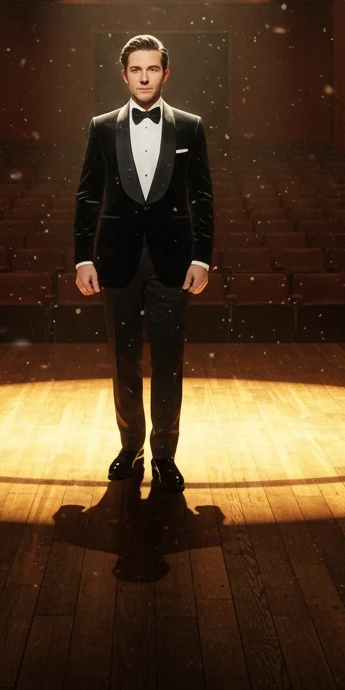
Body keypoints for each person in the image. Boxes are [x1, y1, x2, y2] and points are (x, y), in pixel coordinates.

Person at [74, 34, 214, 492]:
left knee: (169, 361)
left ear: (165, 73)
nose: (144, 77)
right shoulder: (101, 127)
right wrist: (82, 258)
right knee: (124, 359)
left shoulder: (190, 126)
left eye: (152, 69)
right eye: (136, 69)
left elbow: (202, 197)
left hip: (173, 261)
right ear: (124, 75)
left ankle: (164, 454)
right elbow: (88, 195)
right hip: (117, 259)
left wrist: (202, 258)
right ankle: (130, 445)